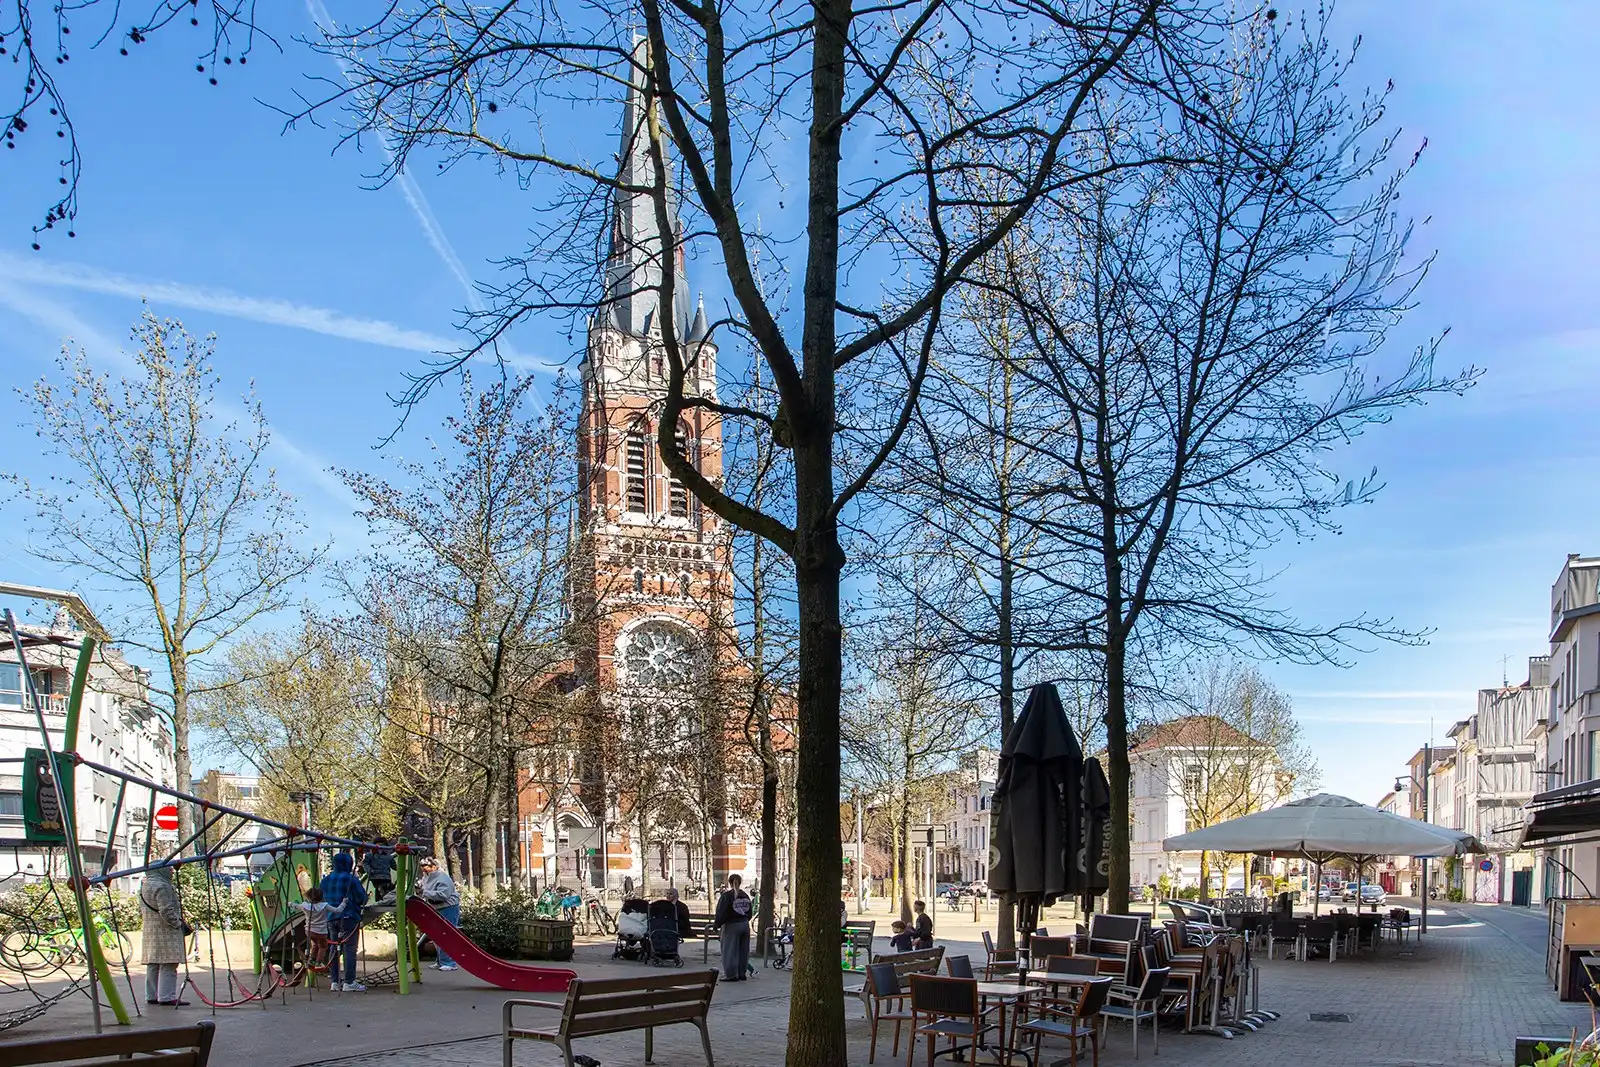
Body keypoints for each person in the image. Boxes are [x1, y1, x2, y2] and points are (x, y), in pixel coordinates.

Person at [138, 866, 189, 1007]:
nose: (172, 872)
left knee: (153, 963)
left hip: (150, 929)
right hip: (166, 930)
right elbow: (166, 909)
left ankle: (152, 995)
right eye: (169, 869)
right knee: (169, 963)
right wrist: (177, 923)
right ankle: (166, 996)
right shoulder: (162, 885)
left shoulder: (145, 885)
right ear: (161, 870)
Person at [320, 852, 369, 992]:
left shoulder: (325, 880)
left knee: (334, 949)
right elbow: (362, 898)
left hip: (331, 917)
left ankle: (335, 981)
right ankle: (349, 981)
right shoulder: (351, 879)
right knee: (349, 949)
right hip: (348, 916)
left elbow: (319, 898)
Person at [417, 855, 461, 972]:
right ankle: (441, 961)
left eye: (426, 867)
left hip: (448, 907)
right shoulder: (427, 876)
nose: (424, 869)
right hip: (436, 907)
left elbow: (443, 895)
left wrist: (426, 893)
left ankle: (450, 962)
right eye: (422, 867)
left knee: (447, 935)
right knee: (437, 936)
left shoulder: (442, 877)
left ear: (434, 867)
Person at [293, 887, 344, 973]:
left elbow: (295, 906)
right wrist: (344, 902)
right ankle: (319, 962)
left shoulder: (305, 906)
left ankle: (312, 959)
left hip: (309, 931)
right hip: (321, 932)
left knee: (315, 944)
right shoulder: (324, 906)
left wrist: (289, 903)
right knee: (323, 946)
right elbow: (338, 910)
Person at [713, 873, 752, 981]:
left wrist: (717, 924)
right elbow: (750, 912)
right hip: (744, 924)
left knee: (729, 950)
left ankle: (730, 974)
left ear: (729, 883)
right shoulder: (745, 895)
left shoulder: (727, 896)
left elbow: (722, 912)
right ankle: (741, 973)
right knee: (743, 950)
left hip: (731, 925)